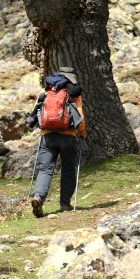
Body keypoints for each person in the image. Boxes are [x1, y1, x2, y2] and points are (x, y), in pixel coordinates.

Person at [26, 67, 85, 218]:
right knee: (67, 169)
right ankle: (65, 203)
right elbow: (80, 116)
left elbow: (37, 111)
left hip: (48, 136)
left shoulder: (47, 90)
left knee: (45, 169)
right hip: (67, 136)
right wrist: (82, 132)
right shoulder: (73, 92)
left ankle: (38, 197)